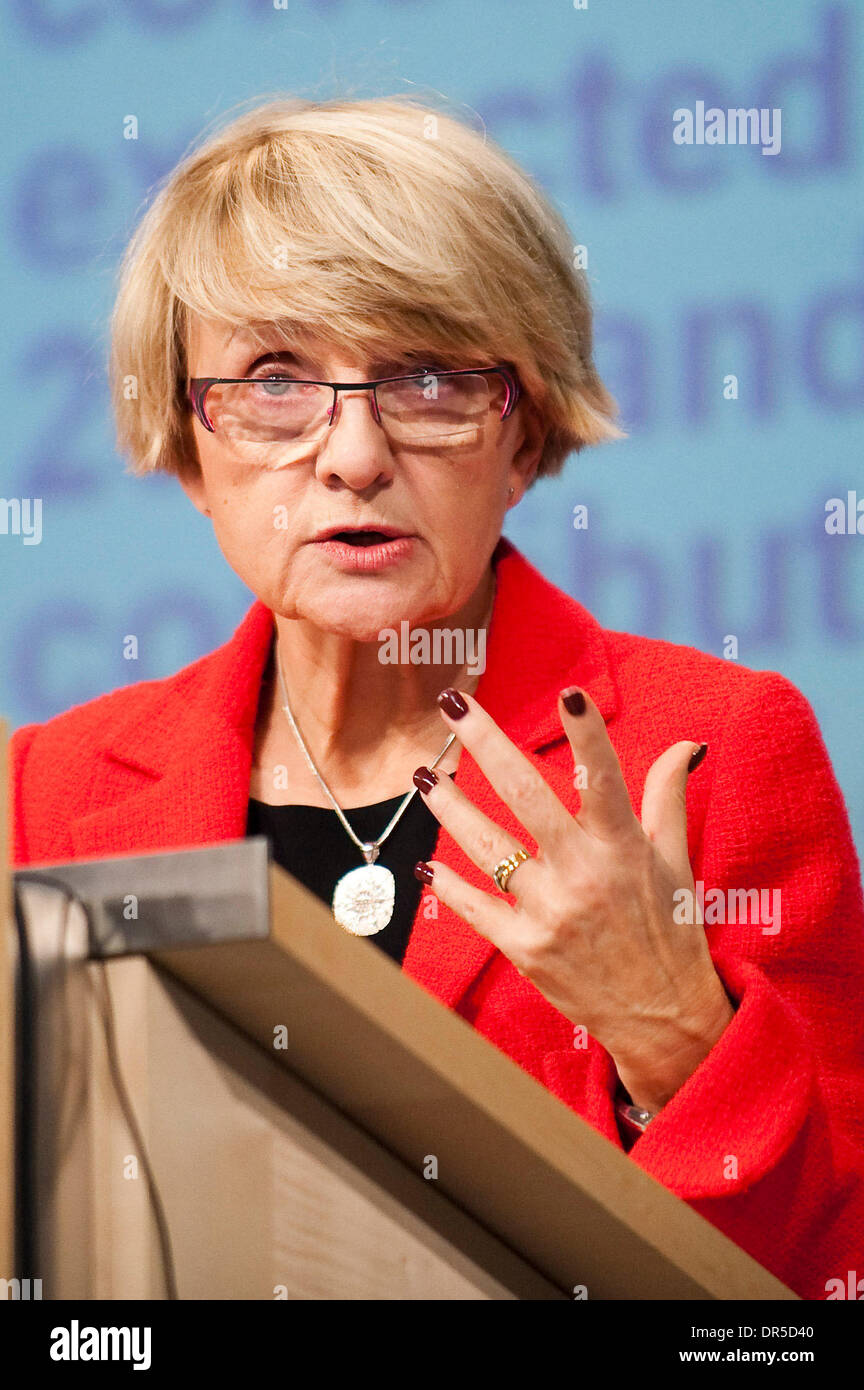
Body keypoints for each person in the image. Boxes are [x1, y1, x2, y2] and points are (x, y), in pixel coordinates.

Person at [9, 95, 864, 1301]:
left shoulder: (714, 746)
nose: (354, 455)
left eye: (424, 377)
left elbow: (825, 1284)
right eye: (273, 380)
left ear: (526, 439)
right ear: (190, 450)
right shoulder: (54, 787)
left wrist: (674, 1038)